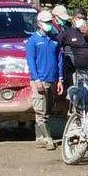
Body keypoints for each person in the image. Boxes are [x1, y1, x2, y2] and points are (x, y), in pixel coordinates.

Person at [25, 9, 63, 148]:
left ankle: (39, 138)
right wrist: (36, 79)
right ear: (40, 23)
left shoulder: (54, 40)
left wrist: (60, 79)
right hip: (40, 80)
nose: (49, 24)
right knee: (41, 111)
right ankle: (48, 139)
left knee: (48, 110)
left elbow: (59, 59)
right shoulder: (33, 41)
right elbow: (31, 61)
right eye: (46, 22)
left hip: (52, 80)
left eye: (50, 22)